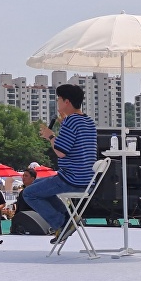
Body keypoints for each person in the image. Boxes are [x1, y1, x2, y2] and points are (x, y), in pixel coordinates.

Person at [23, 83, 97, 244]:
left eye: (58, 100)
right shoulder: (88, 121)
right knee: (39, 185)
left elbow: (60, 151)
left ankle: (61, 223)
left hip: (71, 179)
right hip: (87, 179)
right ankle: (69, 216)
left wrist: (50, 136)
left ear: (67, 102)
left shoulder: (71, 122)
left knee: (28, 193)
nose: (57, 103)